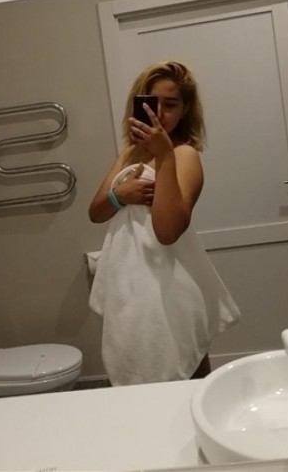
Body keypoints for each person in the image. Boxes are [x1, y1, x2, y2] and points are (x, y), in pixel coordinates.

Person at [88, 60, 240, 386]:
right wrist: (120, 195)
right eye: (152, 103)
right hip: (129, 285)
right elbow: (96, 212)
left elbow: (168, 231)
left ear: (185, 110)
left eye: (170, 104)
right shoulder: (129, 154)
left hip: (171, 288)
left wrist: (165, 155)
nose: (160, 113)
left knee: (184, 383)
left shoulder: (185, 155)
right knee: (133, 368)